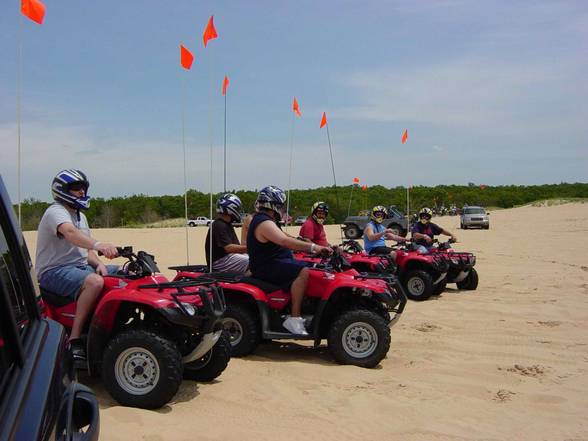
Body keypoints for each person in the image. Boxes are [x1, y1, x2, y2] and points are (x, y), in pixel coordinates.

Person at [36, 170, 118, 363]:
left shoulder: (80, 215)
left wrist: (98, 263)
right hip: (53, 271)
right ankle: (75, 339)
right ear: (62, 190)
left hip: (80, 268)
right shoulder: (55, 211)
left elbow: (86, 251)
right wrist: (99, 245)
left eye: (83, 188)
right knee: (95, 282)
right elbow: (71, 234)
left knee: (126, 272)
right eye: (75, 188)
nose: (81, 192)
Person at [247, 186, 331, 335]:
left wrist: (301, 241)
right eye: (281, 205)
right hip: (266, 266)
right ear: (274, 205)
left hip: (274, 262)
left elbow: (285, 236)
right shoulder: (264, 223)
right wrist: (314, 247)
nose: (283, 209)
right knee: (303, 271)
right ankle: (295, 318)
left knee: (315, 267)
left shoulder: (267, 220)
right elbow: (285, 241)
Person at [205, 193, 249, 273]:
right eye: (237, 209)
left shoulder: (226, 224)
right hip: (220, 262)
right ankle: (246, 281)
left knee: (255, 258)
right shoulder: (219, 225)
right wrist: (250, 247)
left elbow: (236, 246)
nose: (239, 212)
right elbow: (228, 248)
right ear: (231, 209)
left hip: (227, 258)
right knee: (252, 261)